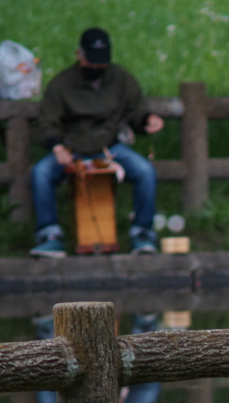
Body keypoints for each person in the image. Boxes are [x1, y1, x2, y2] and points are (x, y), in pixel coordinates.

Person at [30, 27, 164, 257]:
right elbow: (46, 121)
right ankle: (49, 235)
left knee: (145, 171)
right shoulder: (61, 84)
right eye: (92, 62)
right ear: (79, 55)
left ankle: (142, 233)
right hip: (72, 148)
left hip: (109, 147)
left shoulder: (120, 78)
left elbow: (135, 109)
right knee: (40, 173)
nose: (97, 68)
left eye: (101, 63)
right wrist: (57, 146)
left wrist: (147, 120)